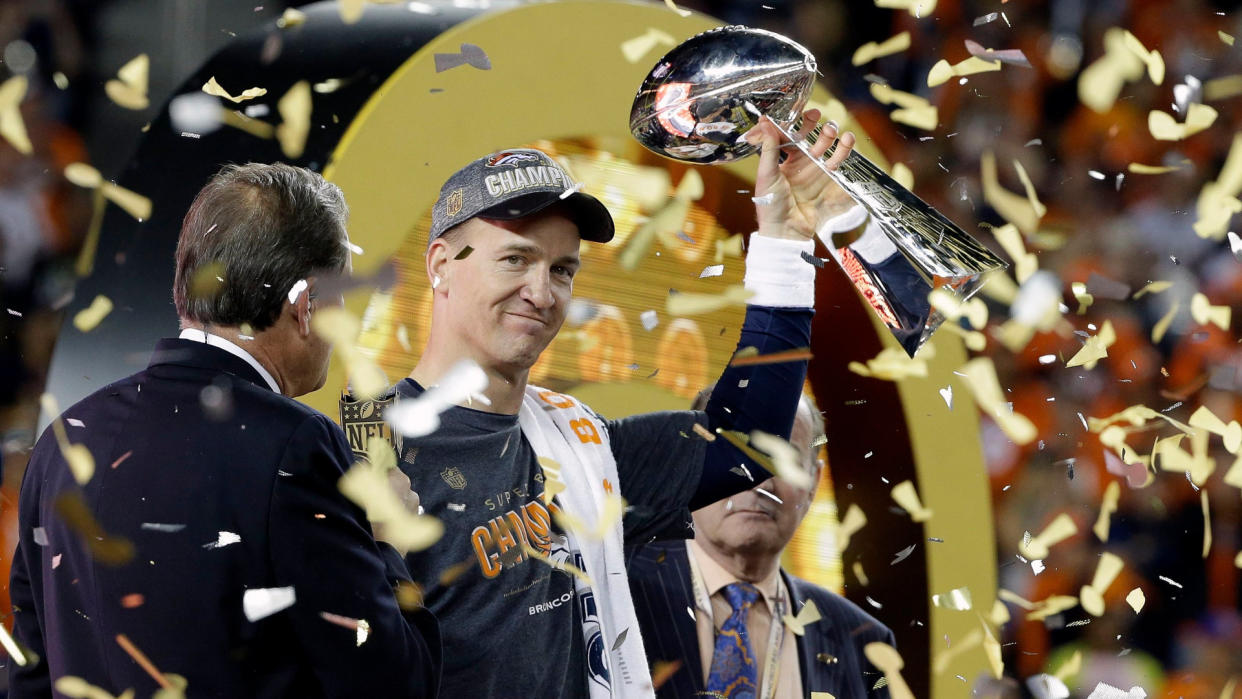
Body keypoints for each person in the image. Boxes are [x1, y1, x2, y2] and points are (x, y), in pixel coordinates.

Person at [377, 111, 857, 698]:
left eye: (561, 270)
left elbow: (746, 441)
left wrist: (784, 240)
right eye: (515, 259)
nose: (541, 291)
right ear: (439, 266)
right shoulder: (371, 458)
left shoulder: (585, 444)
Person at [7, 163, 439, 698]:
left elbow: (29, 674)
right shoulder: (296, 445)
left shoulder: (64, 438)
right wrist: (387, 544)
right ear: (305, 307)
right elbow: (394, 684)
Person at [627, 388, 895, 698]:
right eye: (734, 451)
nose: (757, 481)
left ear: (813, 483)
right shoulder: (609, 591)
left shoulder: (862, 642)